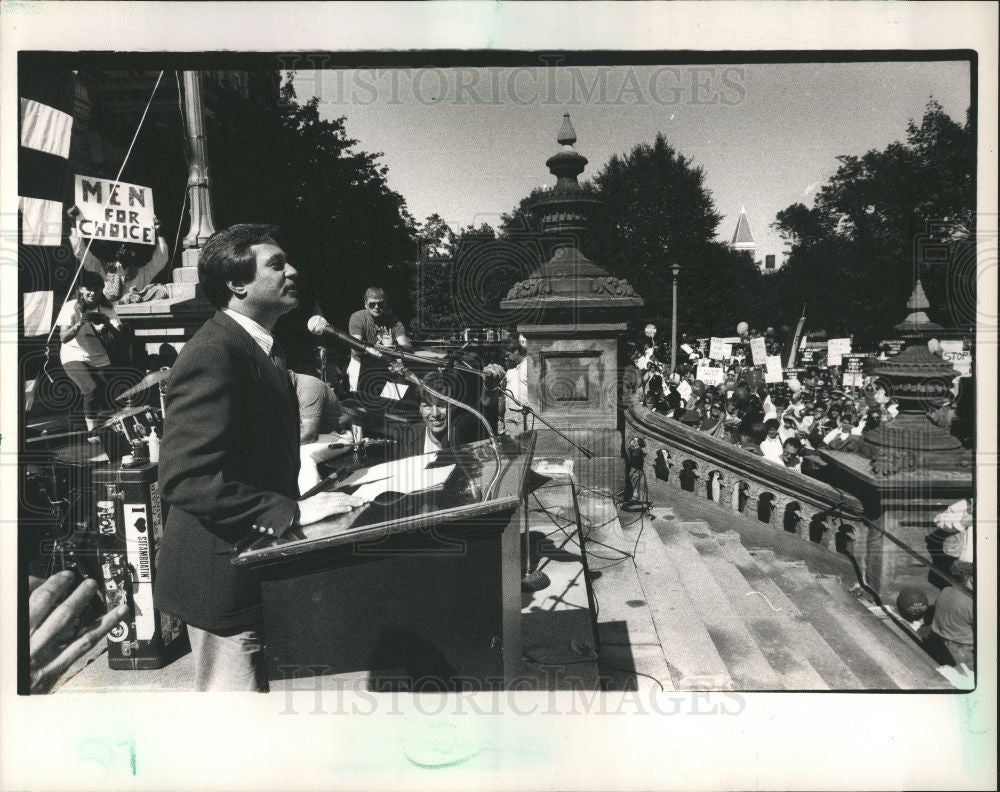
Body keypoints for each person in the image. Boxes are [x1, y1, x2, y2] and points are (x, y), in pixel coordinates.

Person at [153, 224, 365, 691]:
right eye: (276, 264)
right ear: (237, 283)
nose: (293, 271)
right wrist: (287, 510)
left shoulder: (260, 346)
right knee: (235, 733)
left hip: (251, 568)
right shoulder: (215, 351)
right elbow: (185, 478)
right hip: (219, 581)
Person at [57, 271, 124, 435]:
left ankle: (105, 427)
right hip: (73, 354)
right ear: (80, 289)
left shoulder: (107, 308)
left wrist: (107, 323)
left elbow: (121, 337)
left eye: (97, 289)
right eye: (89, 289)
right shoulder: (70, 307)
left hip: (98, 356)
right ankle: (92, 432)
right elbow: (63, 338)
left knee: (109, 395)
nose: (93, 293)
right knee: (91, 389)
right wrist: (80, 322)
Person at [347, 286, 412, 393]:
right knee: (362, 402)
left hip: (388, 363)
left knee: (394, 399)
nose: (376, 307)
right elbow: (356, 348)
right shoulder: (357, 317)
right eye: (372, 304)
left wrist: (395, 347)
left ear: (385, 304)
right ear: (366, 304)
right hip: (362, 363)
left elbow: (408, 348)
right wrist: (382, 349)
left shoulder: (393, 320)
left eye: (380, 304)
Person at [925, 561, 975, 670]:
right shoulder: (971, 601)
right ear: (971, 579)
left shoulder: (945, 590)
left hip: (936, 644)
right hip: (960, 651)